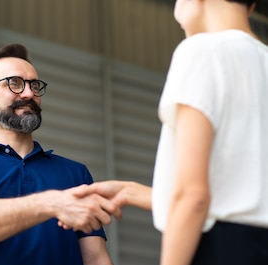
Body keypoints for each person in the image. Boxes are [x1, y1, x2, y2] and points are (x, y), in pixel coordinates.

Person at [71, 0, 268, 264]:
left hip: (223, 249)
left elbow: (193, 196)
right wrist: (130, 191)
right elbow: (241, 189)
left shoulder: (202, 50)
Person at [0, 43, 120, 265]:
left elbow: (95, 258)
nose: (29, 93)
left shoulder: (75, 173)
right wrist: (52, 202)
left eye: (34, 85)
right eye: (15, 84)